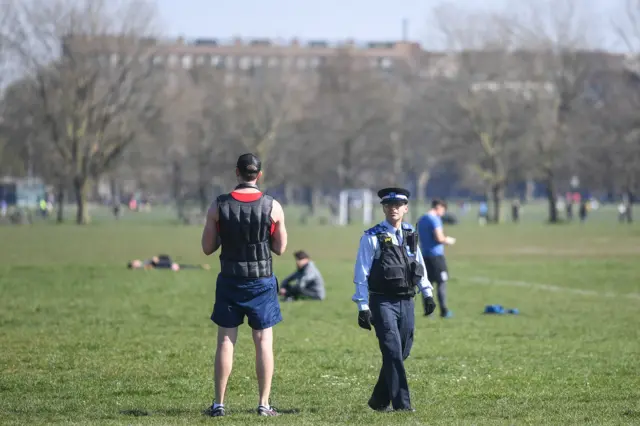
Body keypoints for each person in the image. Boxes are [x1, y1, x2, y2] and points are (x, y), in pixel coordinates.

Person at [200, 153, 287, 418]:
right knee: (263, 342)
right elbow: (280, 248)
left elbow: (207, 248)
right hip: (261, 282)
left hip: (230, 279)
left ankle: (219, 405)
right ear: (258, 175)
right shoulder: (273, 206)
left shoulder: (219, 206)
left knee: (226, 342)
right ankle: (263, 404)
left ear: (236, 172)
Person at [352, 187, 436, 412]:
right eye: (389, 205)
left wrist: (427, 293)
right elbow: (361, 272)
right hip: (382, 302)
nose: (393, 209)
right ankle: (403, 406)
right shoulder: (372, 237)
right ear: (384, 208)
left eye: (398, 205)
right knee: (392, 351)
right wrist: (362, 306)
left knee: (402, 351)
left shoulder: (410, 233)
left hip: (407, 301)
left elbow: (419, 265)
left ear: (406, 208)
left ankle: (379, 401)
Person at [416, 199, 456, 319]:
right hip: (436, 256)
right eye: (443, 210)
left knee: (427, 284)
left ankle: (428, 311)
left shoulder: (421, 219)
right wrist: (448, 240)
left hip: (424, 255)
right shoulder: (434, 219)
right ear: (439, 207)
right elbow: (439, 238)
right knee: (441, 282)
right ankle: (444, 311)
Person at [126, 254, 210, 271]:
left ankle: (201, 267)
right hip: (166, 266)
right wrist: (154, 262)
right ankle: (201, 267)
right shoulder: (141, 267)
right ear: (134, 266)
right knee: (185, 267)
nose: (135, 261)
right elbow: (151, 267)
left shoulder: (143, 263)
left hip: (165, 264)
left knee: (184, 266)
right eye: (134, 262)